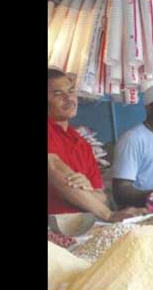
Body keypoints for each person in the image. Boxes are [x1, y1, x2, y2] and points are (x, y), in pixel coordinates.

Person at [47, 69, 143, 222]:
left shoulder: (81, 143)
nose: (68, 98)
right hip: (53, 232)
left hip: (83, 229)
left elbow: (102, 197)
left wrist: (86, 188)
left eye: (71, 91)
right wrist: (108, 214)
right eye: (58, 94)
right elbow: (53, 168)